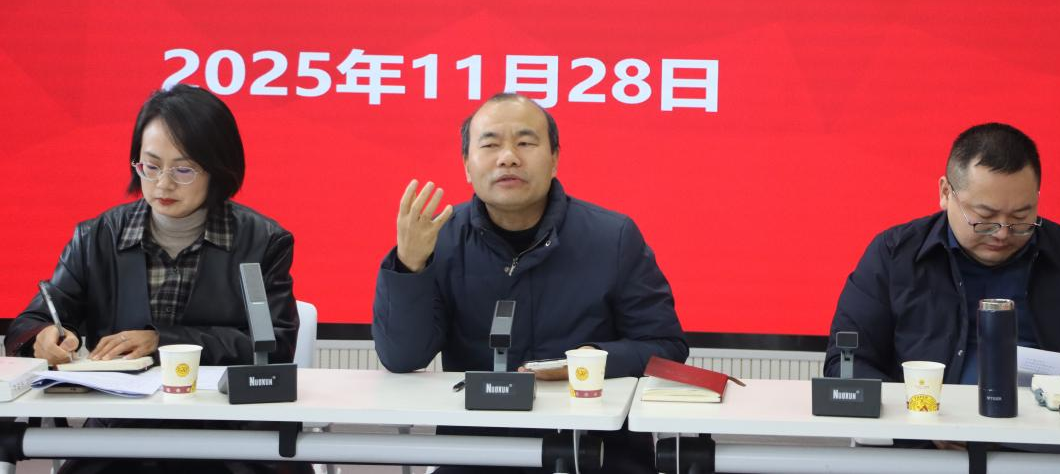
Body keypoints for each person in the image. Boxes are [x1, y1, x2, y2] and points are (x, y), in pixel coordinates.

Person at [373, 92, 687, 474]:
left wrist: (586, 362)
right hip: (479, 453)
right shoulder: (442, 240)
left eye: (525, 143)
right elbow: (402, 358)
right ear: (467, 165)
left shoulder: (613, 237)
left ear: (554, 159)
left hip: (594, 452)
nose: (508, 157)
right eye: (490, 144)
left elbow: (666, 348)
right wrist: (409, 266)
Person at [5, 84, 302, 474]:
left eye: (183, 170)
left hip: (229, 437)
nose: (163, 184)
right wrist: (43, 337)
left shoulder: (263, 241)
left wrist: (163, 342)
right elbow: (31, 322)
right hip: (120, 434)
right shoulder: (96, 238)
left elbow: (274, 345)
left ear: (218, 169)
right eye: (150, 166)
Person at [825, 122, 1060, 384]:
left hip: (1056, 440)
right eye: (984, 217)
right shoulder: (893, 255)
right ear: (946, 193)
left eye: (1021, 217)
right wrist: (919, 414)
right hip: (925, 440)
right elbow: (845, 363)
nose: (1002, 233)